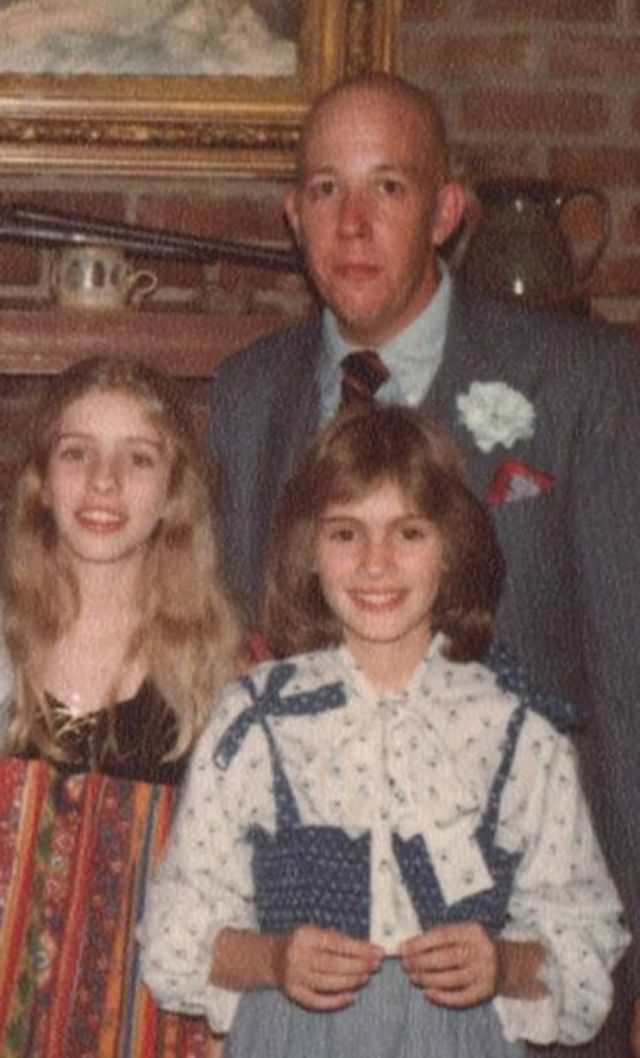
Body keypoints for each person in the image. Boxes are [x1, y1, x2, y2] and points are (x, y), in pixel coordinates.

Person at [208, 71, 640, 1054]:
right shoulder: (247, 393)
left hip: (511, 943)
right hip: (307, 968)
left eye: (388, 188)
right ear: (292, 214)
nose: (352, 225)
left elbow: (626, 682)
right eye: (326, 190)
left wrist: (611, 970)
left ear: (447, 211)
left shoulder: (578, 378)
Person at [140, 404, 628, 1058]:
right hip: (290, 1038)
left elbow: (586, 940)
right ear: (309, 551)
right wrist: (273, 958)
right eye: (345, 534)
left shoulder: (516, 732)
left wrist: (503, 966)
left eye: (408, 533)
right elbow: (176, 931)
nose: (376, 563)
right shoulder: (256, 721)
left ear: (451, 549)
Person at [0, 354, 243, 785]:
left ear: (174, 493)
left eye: (138, 458)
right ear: (41, 484)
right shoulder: (6, 645)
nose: (104, 480)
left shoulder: (218, 674)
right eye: (77, 453)